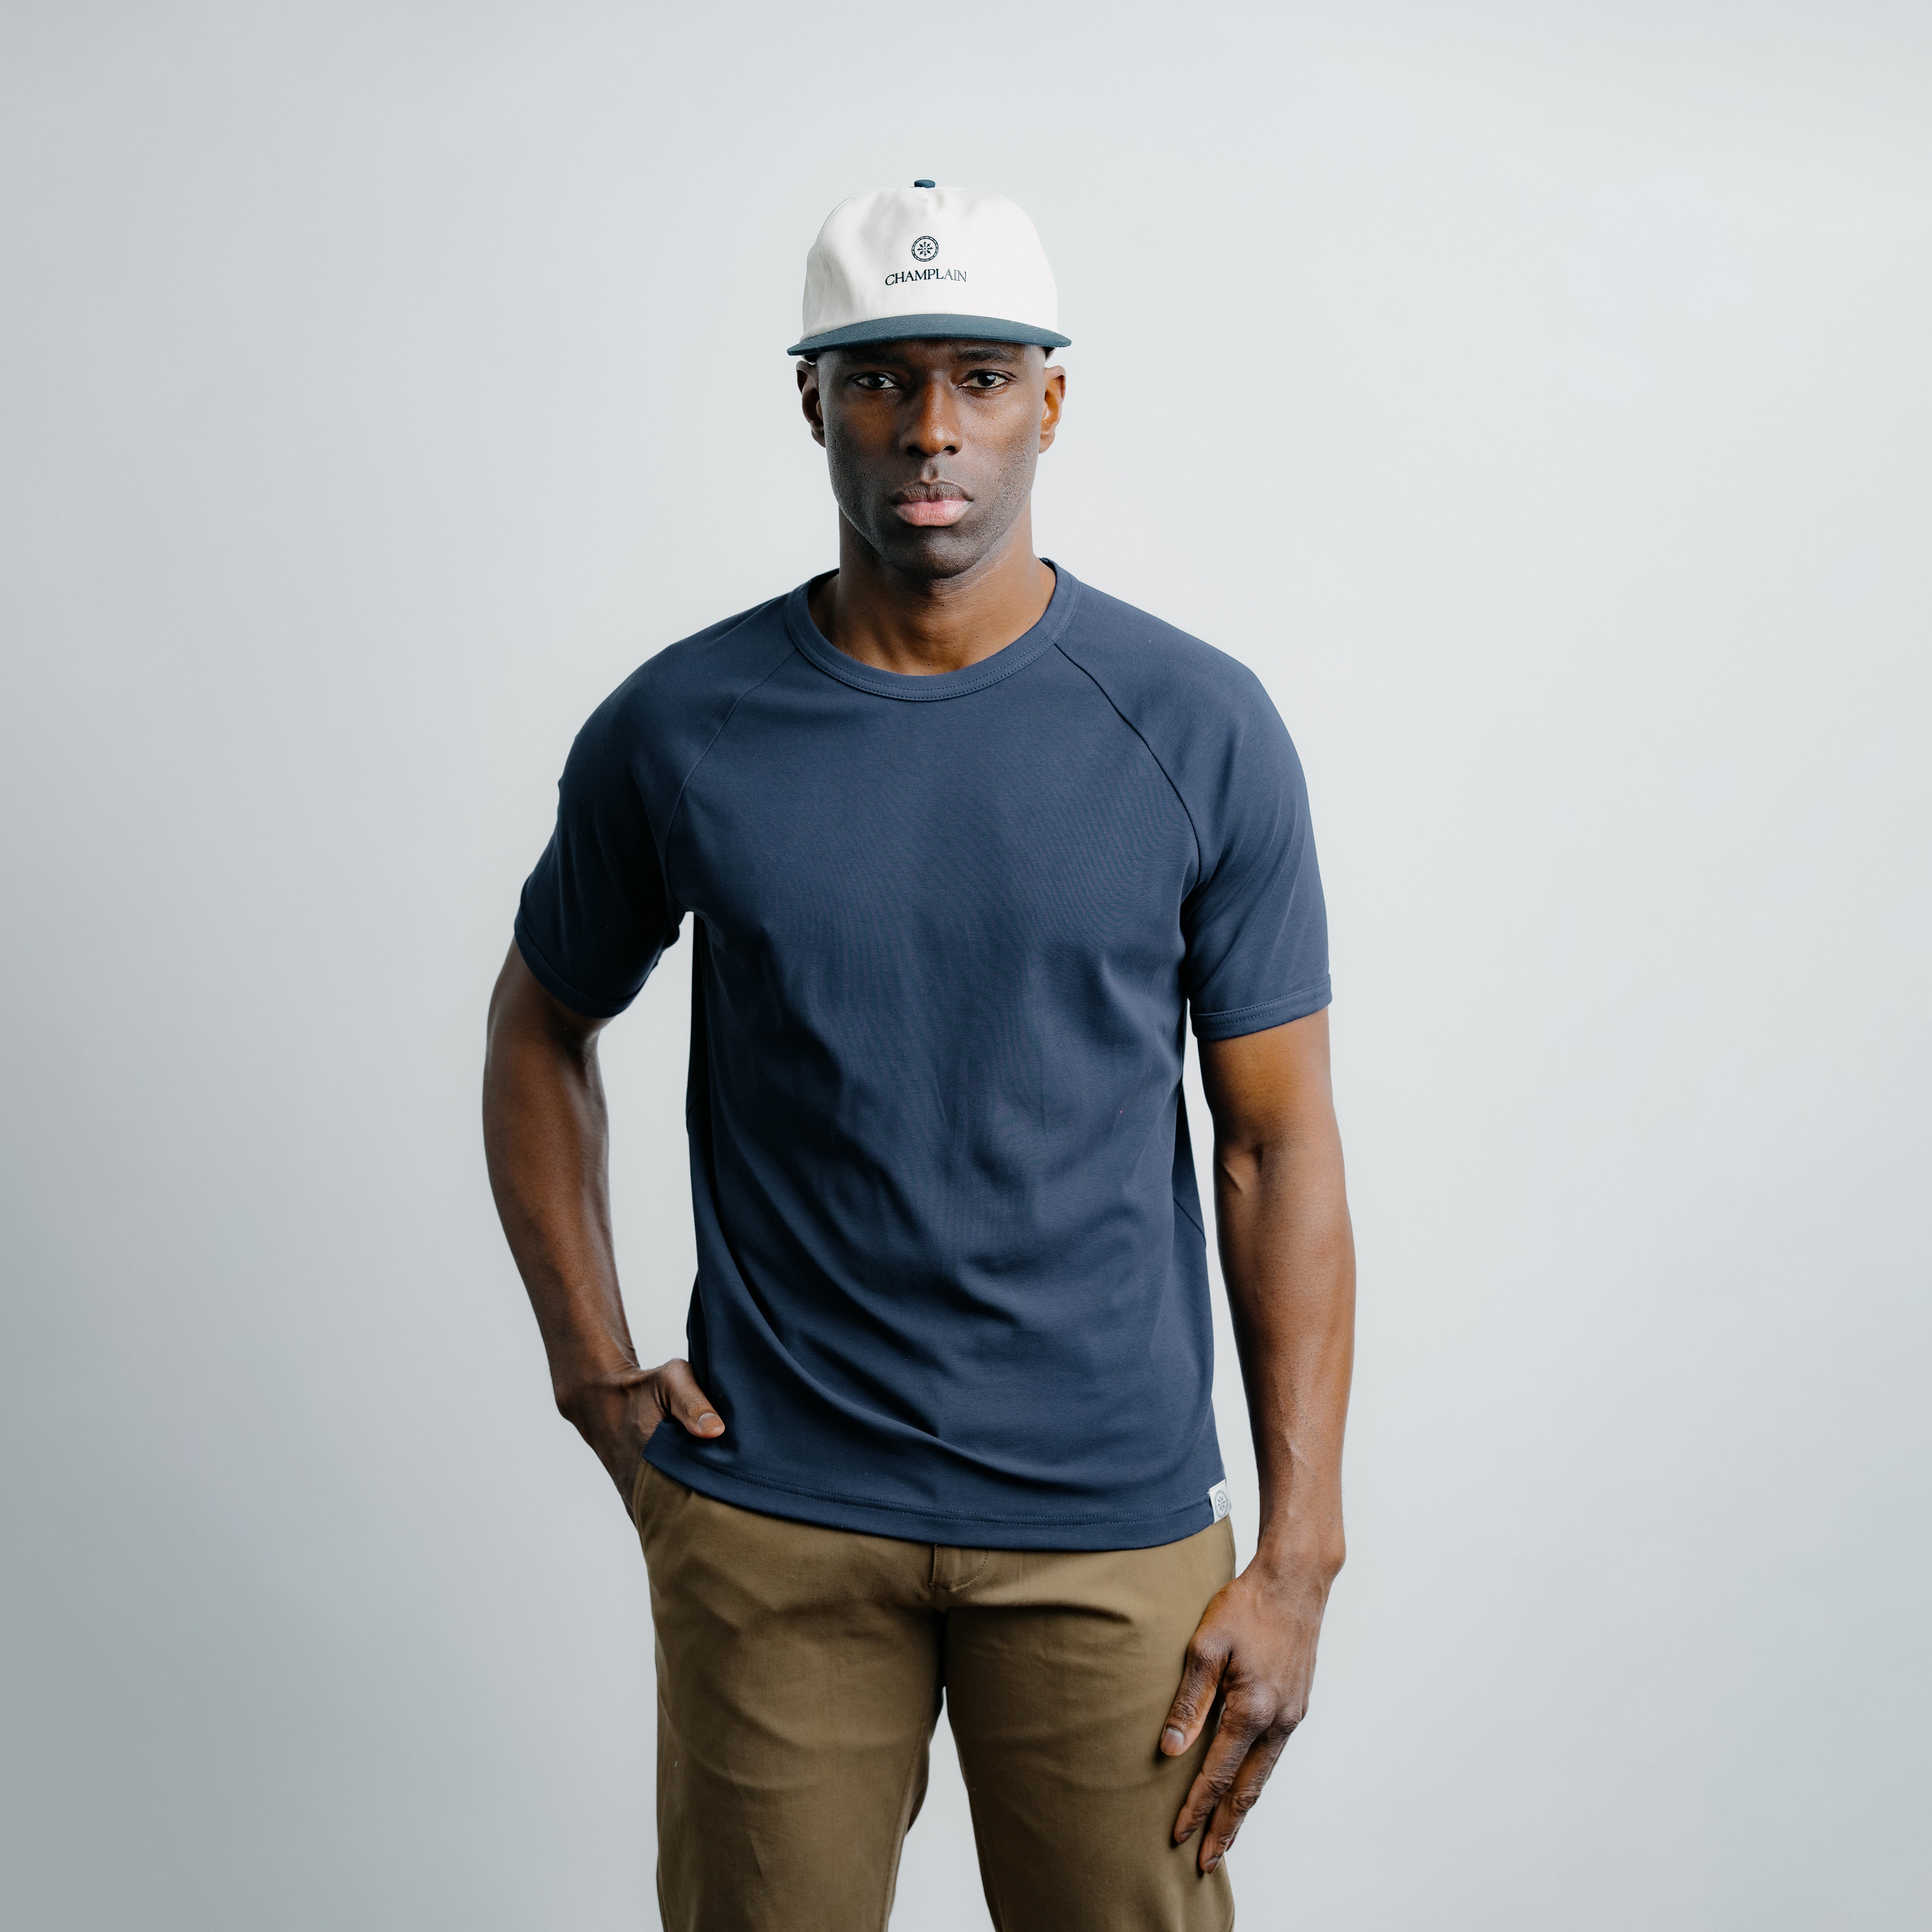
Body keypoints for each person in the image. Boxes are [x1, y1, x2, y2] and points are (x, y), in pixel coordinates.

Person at [482, 181, 1355, 1932]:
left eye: (976, 374)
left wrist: (1297, 1551)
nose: (930, 427)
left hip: (1105, 1529)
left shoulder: (1195, 724)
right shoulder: (681, 724)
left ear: (1050, 398)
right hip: (778, 1515)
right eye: (881, 377)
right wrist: (594, 1373)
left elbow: (1271, 1146)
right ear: (812, 400)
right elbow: (538, 1025)